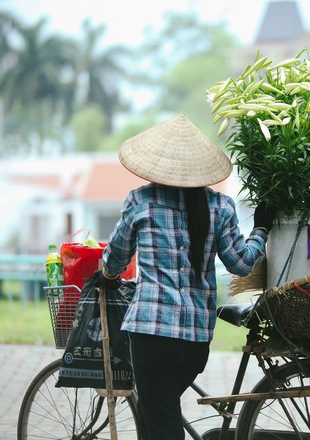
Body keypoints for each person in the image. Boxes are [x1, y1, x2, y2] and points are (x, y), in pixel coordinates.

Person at [99, 114, 276, 440]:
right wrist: (261, 229)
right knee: (159, 418)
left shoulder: (142, 200)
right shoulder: (220, 206)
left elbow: (115, 257)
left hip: (151, 336)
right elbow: (241, 263)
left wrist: (108, 273)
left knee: (162, 425)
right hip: (195, 341)